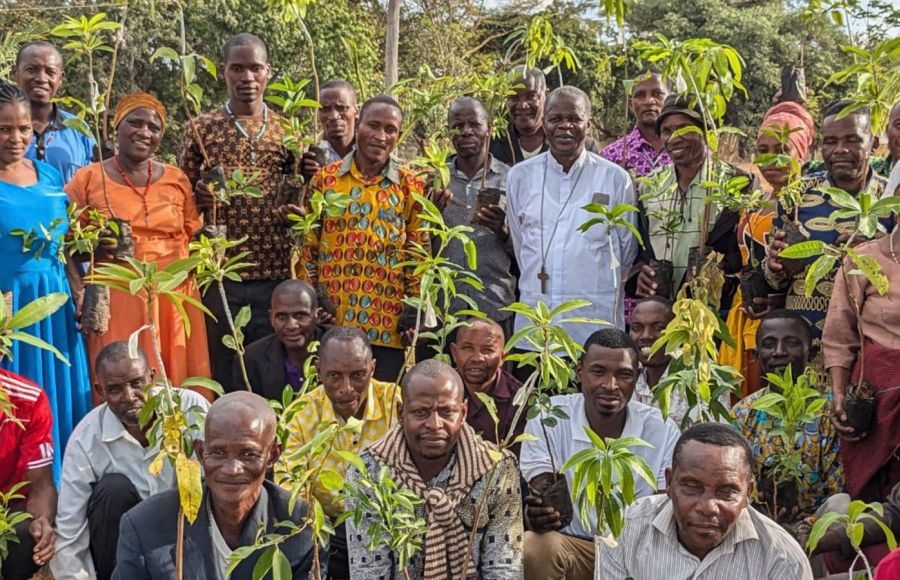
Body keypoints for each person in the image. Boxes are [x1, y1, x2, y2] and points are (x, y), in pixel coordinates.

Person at [66, 92, 211, 389]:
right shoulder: (88, 178)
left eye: (154, 127)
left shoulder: (177, 178)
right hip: (117, 290)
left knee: (178, 374)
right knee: (121, 373)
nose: (144, 132)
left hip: (173, 290)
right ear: (117, 126)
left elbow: (195, 234)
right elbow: (66, 244)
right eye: (135, 123)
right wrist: (93, 252)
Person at [519, 328, 680, 580]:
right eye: (598, 372)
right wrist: (540, 515)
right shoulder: (549, 417)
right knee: (534, 546)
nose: (610, 385)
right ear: (579, 370)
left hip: (637, 556)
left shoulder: (661, 427)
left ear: (637, 377)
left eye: (624, 375)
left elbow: (664, 507)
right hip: (574, 547)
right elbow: (542, 486)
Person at [181, 33, 293, 389]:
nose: (247, 77)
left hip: (273, 268)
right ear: (224, 73)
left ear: (268, 73)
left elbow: (300, 193)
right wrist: (199, 197)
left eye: (255, 68)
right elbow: (182, 197)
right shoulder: (201, 128)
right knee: (221, 359)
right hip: (220, 269)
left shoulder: (287, 130)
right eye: (237, 68)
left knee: (267, 360)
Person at [112, 392, 322, 579]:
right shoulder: (145, 525)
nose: (232, 469)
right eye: (218, 453)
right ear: (201, 453)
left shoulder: (301, 528)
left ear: (272, 456)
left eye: (248, 454)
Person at [345, 359, 523, 579]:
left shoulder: (497, 467)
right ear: (401, 413)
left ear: (463, 413)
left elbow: (504, 569)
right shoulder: (368, 472)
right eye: (421, 412)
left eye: (447, 412)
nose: (434, 425)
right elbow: (369, 571)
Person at [52, 342, 210, 580]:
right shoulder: (86, 438)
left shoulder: (190, 408)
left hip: (186, 535)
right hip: (123, 548)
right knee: (113, 488)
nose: (129, 397)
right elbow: (70, 526)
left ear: (153, 378)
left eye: (137, 384)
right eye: (115, 389)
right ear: (100, 391)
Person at [299, 95, 426, 381]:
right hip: (334, 320)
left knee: (381, 410)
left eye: (391, 129)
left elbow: (419, 253)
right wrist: (315, 298)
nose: (381, 136)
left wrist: (412, 310)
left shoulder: (411, 186)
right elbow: (308, 247)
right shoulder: (325, 180)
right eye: (374, 126)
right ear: (358, 126)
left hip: (387, 325)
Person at [0, 82, 90, 479]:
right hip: (9, 308)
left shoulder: (50, 174)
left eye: (22, 129)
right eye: (4, 129)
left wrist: (79, 288)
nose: (15, 138)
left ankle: (65, 493)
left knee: (59, 397)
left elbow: (67, 243)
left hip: (54, 304)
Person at [507, 85, 638, 349]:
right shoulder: (520, 176)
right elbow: (521, 246)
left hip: (594, 329)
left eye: (574, 119)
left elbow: (626, 253)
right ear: (544, 124)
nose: (564, 126)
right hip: (536, 330)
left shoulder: (614, 179)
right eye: (555, 119)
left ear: (588, 125)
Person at [598, 423, 813, 579]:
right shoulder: (626, 530)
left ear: (749, 493)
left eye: (727, 492)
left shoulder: (783, 560)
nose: (708, 507)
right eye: (692, 487)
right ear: (670, 484)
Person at [765, 102, 890, 369]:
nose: (840, 149)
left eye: (852, 140)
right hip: (804, 351)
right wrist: (774, 264)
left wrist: (873, 255)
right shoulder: (797, 196)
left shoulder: (890, 199)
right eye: (830, 141)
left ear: (874, 142)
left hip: (869, 351)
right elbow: (773, 281)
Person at [278, 325, 399, 578]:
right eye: (334, 376)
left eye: (358, 375)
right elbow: (286, 481)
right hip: (328, 530)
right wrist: (316, 522)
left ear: (373, 368)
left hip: (390, 528)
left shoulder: (396, 402)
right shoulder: (300, 414)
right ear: (318, 370)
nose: (347, 388)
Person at [719, 102, 815, 397]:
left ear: (801, 151)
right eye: (763, 149)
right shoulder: (757, 201)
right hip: (743, 314)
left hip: (781, 326)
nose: (771, 159)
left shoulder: (809, 205)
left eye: (781, 148)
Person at [635, 94, 752, 306]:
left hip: (712, 311)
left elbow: (745, 249)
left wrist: (721, 271)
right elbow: (639, 249)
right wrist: (639, 276)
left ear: (704, 132)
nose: (674, 138)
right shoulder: (649, 186)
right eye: (666, 131)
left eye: (684, 129)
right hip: (661, 311)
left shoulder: (736, 182)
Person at [731, 310, 842, 524]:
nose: (779, 352)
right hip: (756, 522)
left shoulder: (829, 408)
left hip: (817, 526)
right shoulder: (743, 412)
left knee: (842, 504)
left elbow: (838, 485)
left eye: (791, 343)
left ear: (811, 352)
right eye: (769, 344)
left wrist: (807, 520)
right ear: (756, 355)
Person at [823, 214, 900, 505]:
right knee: (871, 500)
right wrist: (840, 394)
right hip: (876, 398)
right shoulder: (863, 259)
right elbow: (839, 335)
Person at [443, 97, 516, 335]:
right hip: (445, 307)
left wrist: (503, 232)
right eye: (458, 125)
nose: (466, 132)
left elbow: (530, 247)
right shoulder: (435, 178)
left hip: (493, 303)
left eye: (474, 124)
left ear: (489, 129)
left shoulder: (512, 179)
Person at [0, 368, 56, 580]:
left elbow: (40, 486)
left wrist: (42, 519)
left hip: (7, 508)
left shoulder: (28, 400)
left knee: (25, 533)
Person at [12, 41, 94, 183]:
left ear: (60, 79)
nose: (41, 79)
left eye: (50, 72)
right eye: (31, 69)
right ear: (14, 73)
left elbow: (94, 184)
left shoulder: (79, 129)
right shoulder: (3, 127)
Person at [450, 318, 525, 454]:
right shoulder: (440, 391)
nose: (477, 358)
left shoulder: (521, 400)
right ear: (454, 353)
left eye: (487, 350)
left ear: (503, 356)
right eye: (467, 348)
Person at [237, 279, 323, 398]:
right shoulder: (251, 360)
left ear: (317, 315)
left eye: (300, 316)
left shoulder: (340, 349)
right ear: (271, 318)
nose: (291, 325)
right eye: (282, 317)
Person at [600, 71, 672, 178]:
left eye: (657, 94)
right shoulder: (610, 156)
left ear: (671, 99)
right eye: (640, 95)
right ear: (630, 104)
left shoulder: (688, 149)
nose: (648, 101)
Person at [300, 78, 359, 181]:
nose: (333, 116)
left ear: (356, 112)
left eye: (341, 108)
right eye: (325, 109)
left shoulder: (371, 151)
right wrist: (305, 179)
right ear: (317, 115)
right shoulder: (306, 155)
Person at [489, 66, 549, 166]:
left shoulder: (563, 141)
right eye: (513, 97)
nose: (522, 106)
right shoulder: (492, 144)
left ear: (546, 96)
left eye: (531, 96)